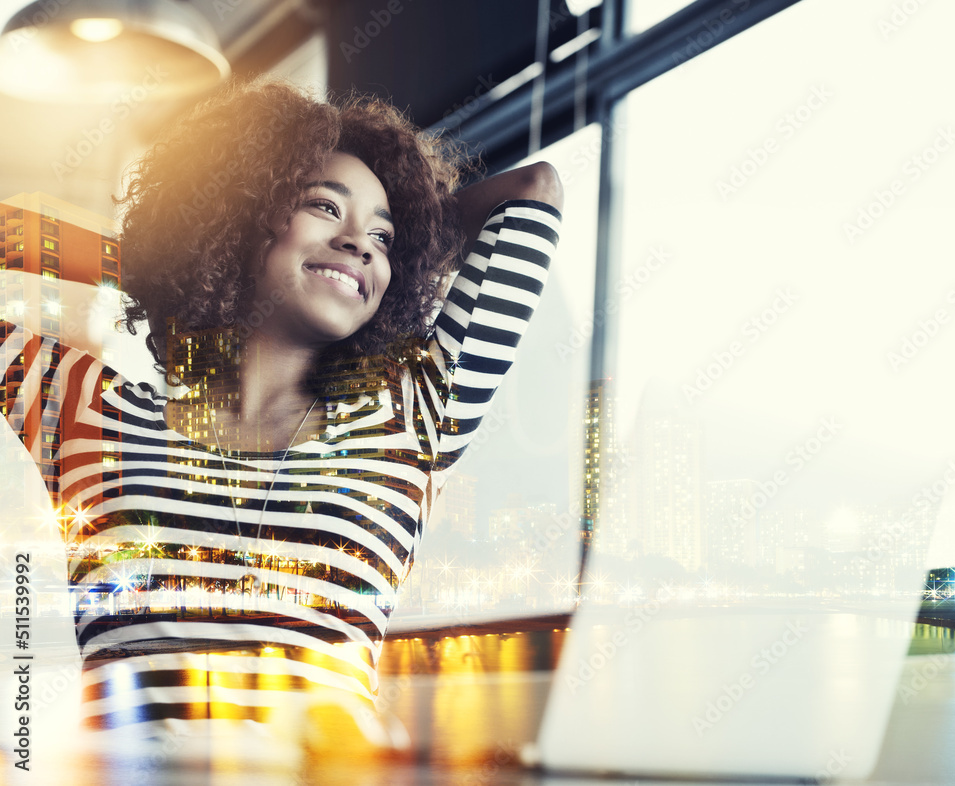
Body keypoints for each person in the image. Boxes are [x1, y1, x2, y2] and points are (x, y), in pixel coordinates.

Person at [0, 78, 562, 750]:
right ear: (242, 217)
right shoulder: (86, 408)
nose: (361, 245)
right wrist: (156, 261)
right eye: (326, 207)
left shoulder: (411, 415)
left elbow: (536, 189)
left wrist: (403, 243)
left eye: (384, 240)